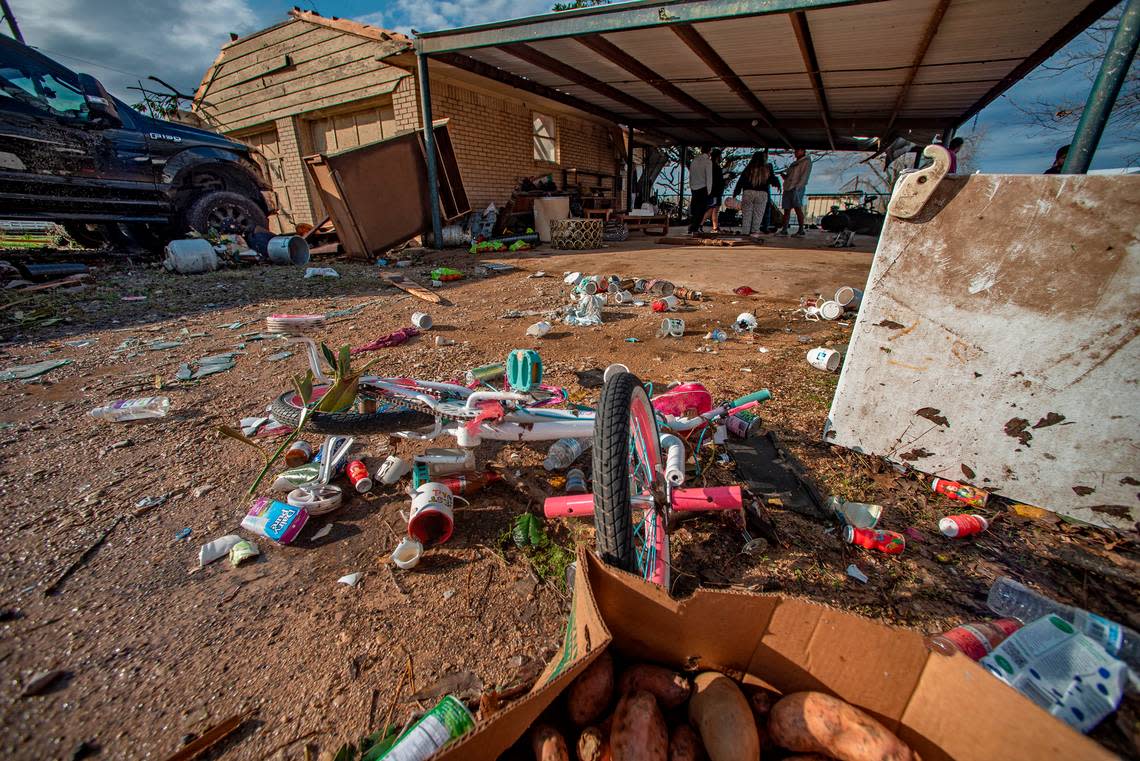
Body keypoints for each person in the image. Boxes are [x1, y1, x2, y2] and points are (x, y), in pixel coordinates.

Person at [733, 151, 771, 239]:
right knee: (758, 215)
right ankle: (754, 233)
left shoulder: (748, 169)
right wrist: (778, 185)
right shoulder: (766, 169)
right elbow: (772, 179)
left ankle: (745, 233)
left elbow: (740, 182)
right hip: (762, 193)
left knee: (747, 214)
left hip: (748, 192)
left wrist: (736, 192)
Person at [779, 148, 812, 236]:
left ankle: (801, 229)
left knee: (797, 208)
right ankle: (784, 229)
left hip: (796, 188)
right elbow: (791, 175)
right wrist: (785, 177)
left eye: (798, 150)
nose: (796, 152)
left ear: (803, 151)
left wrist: (798, 187)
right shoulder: (795, 163)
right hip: (788, 187)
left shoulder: (806, 161)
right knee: (786, 209)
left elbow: (804, 176)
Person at [698, 148, 726, 233]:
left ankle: (715, 227)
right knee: (712, 209)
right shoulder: (716, 168)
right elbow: (718, 181)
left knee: (713, 209)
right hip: (715, 192)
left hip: (710, 191)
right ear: (718, 157)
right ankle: (700, 225)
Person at [687, 147, 713, 234]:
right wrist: (709, 191)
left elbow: (691, 175)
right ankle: (695, 227)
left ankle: (692, 226)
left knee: (694, 208)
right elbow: (709, 177)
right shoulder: (708, 162)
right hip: (703, 187)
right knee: (701, 209)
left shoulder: (694, 160)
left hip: (694, 187)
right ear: (709, 151)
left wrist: (691, 186)